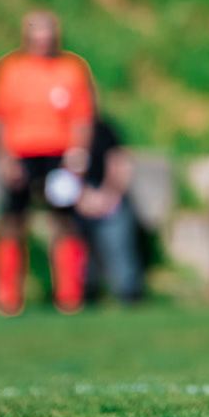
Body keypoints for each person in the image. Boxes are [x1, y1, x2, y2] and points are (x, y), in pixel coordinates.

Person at [0, 11, 96, 316]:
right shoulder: (12, 69)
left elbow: (82, 116)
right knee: (12, 221)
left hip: (59, 153)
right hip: (21, 151)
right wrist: (4, 157)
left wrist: (79, 153)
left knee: (63, 221)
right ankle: (8, 297)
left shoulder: (71, 68)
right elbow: (0, 116)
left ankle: (69, 296)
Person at [75, 115, 143, 303]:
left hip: (108, 196)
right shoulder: (61, 131)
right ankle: (83, 296)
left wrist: (109, 195)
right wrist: (80, 196)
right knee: (82, 262)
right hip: (77, 200)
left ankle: (129, 294)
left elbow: (120, 162)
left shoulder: (104, 129)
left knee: (118, 247)